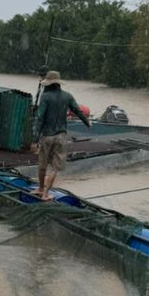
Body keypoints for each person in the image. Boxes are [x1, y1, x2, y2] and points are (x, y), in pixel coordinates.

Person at [30, 71, 90, 200]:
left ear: (49, 84)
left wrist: (35, 140)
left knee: (42, 165)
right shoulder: (67, 96)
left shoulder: (45, 97)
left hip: (47, 135)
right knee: (55, 167)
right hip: (61, 136)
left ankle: (40, 189)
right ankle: (46, 193)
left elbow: (39, 118)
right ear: (58, 84)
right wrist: (87, 122)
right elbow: (77, 111)